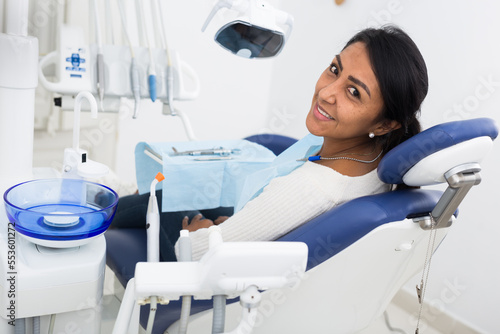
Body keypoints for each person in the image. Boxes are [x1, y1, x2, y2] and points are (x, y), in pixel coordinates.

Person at [111, 25, 428, 261]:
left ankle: (93, 212)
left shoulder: (312, 189)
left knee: (158, 199)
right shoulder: (376, 160)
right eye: (335, 70)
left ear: (386, 123)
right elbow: (276, 219)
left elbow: (199, 252)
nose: (327, 92)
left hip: (203, 266)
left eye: (354, 92)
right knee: (175, 188)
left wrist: (202, 230)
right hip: (254, 230)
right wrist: (242, 223)